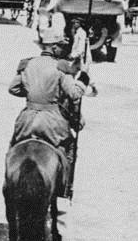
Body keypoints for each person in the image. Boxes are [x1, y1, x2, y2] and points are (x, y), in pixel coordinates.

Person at [8, 25, 90, 198]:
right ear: (53, 46)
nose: (62, 49)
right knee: (70, 148)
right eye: (60, 45)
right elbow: (74, 94)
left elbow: (13, 89)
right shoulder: (60, 67)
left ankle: (10, 181)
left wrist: (33, 93)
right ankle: (64, 188)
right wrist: (83, 80)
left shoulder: (27, 63)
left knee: (13, 148)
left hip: (26, 120)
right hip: (52, 122)